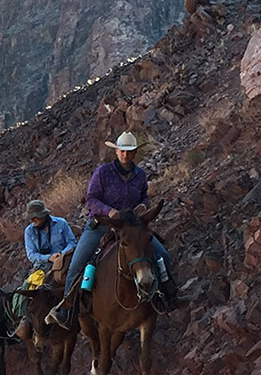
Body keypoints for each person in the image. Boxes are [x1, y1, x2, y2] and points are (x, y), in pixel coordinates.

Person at [46, 132, 177, 327]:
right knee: (77, 264)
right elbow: (91, 199)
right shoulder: (102, 172)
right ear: (116, 151)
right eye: (122, 151)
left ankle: (168, 296)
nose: (126, 155)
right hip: (102, 225)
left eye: (130, 151)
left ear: (134, 153)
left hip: (131, 227)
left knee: (162, 255)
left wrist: (142, 206)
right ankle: (67, 309)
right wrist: (110, 211)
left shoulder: (140, 175)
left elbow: (144, 197)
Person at [23, 200, 76, 274]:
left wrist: (61, 255)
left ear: (43, 215)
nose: (32, 220)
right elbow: (31, 255)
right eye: (31, 218)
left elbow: (72, 243)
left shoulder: (61, 223)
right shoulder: (29, 231)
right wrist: (49, 258)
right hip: (42, 267)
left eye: (35, 217)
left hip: (65, 261)